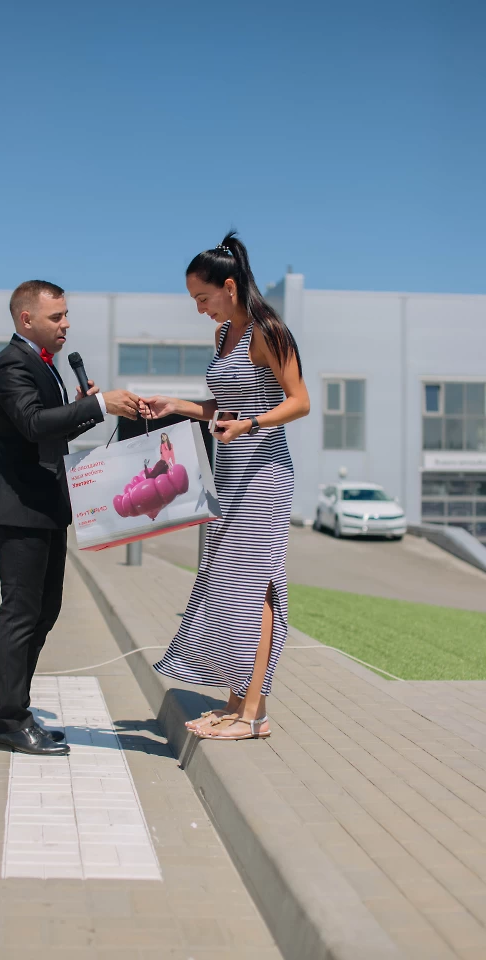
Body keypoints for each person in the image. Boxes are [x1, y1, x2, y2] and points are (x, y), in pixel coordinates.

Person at [140, 233, 310, 741]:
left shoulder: (269, 331)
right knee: (231, 586)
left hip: (264, 475)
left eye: (203, 298)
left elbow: (299, 401)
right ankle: (236, 703)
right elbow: (224, 406)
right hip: (231, 471)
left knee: (257, 586)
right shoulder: (222, 337)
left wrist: (251, 425)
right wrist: (177, 405)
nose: (200, 309)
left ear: (230, 287)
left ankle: (253, 714)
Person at [0, 280, 139, 756]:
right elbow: (32, 424)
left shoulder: (44, 365)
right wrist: (97, 404)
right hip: (21, 510)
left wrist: (85, 410)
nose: (66, 323)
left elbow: (50, 431)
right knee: (21, 614)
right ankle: (10, 720)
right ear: (26, 319)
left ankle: (16, 711)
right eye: (57, 316)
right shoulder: (12, 365)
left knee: (44, 611)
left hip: (48, 509)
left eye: (67, 314)